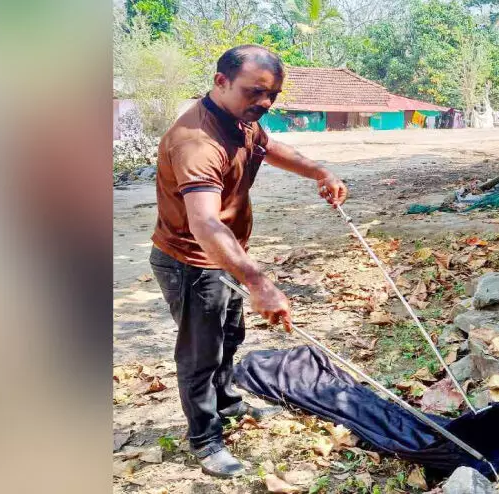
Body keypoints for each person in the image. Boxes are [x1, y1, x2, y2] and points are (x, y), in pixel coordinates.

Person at [148, 45, 348, 478]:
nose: (264, 103)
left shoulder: (242, 121)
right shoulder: (196, 142)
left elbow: (269, 147)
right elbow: (204, 223)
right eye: (255, 92)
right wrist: (258, 281)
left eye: (272, 95)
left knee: (230, 335)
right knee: (201, 352)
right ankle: (204, 438)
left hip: (226, 257)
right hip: (190, 260)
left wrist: (320, 172)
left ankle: (228, 405)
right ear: (220, 81)